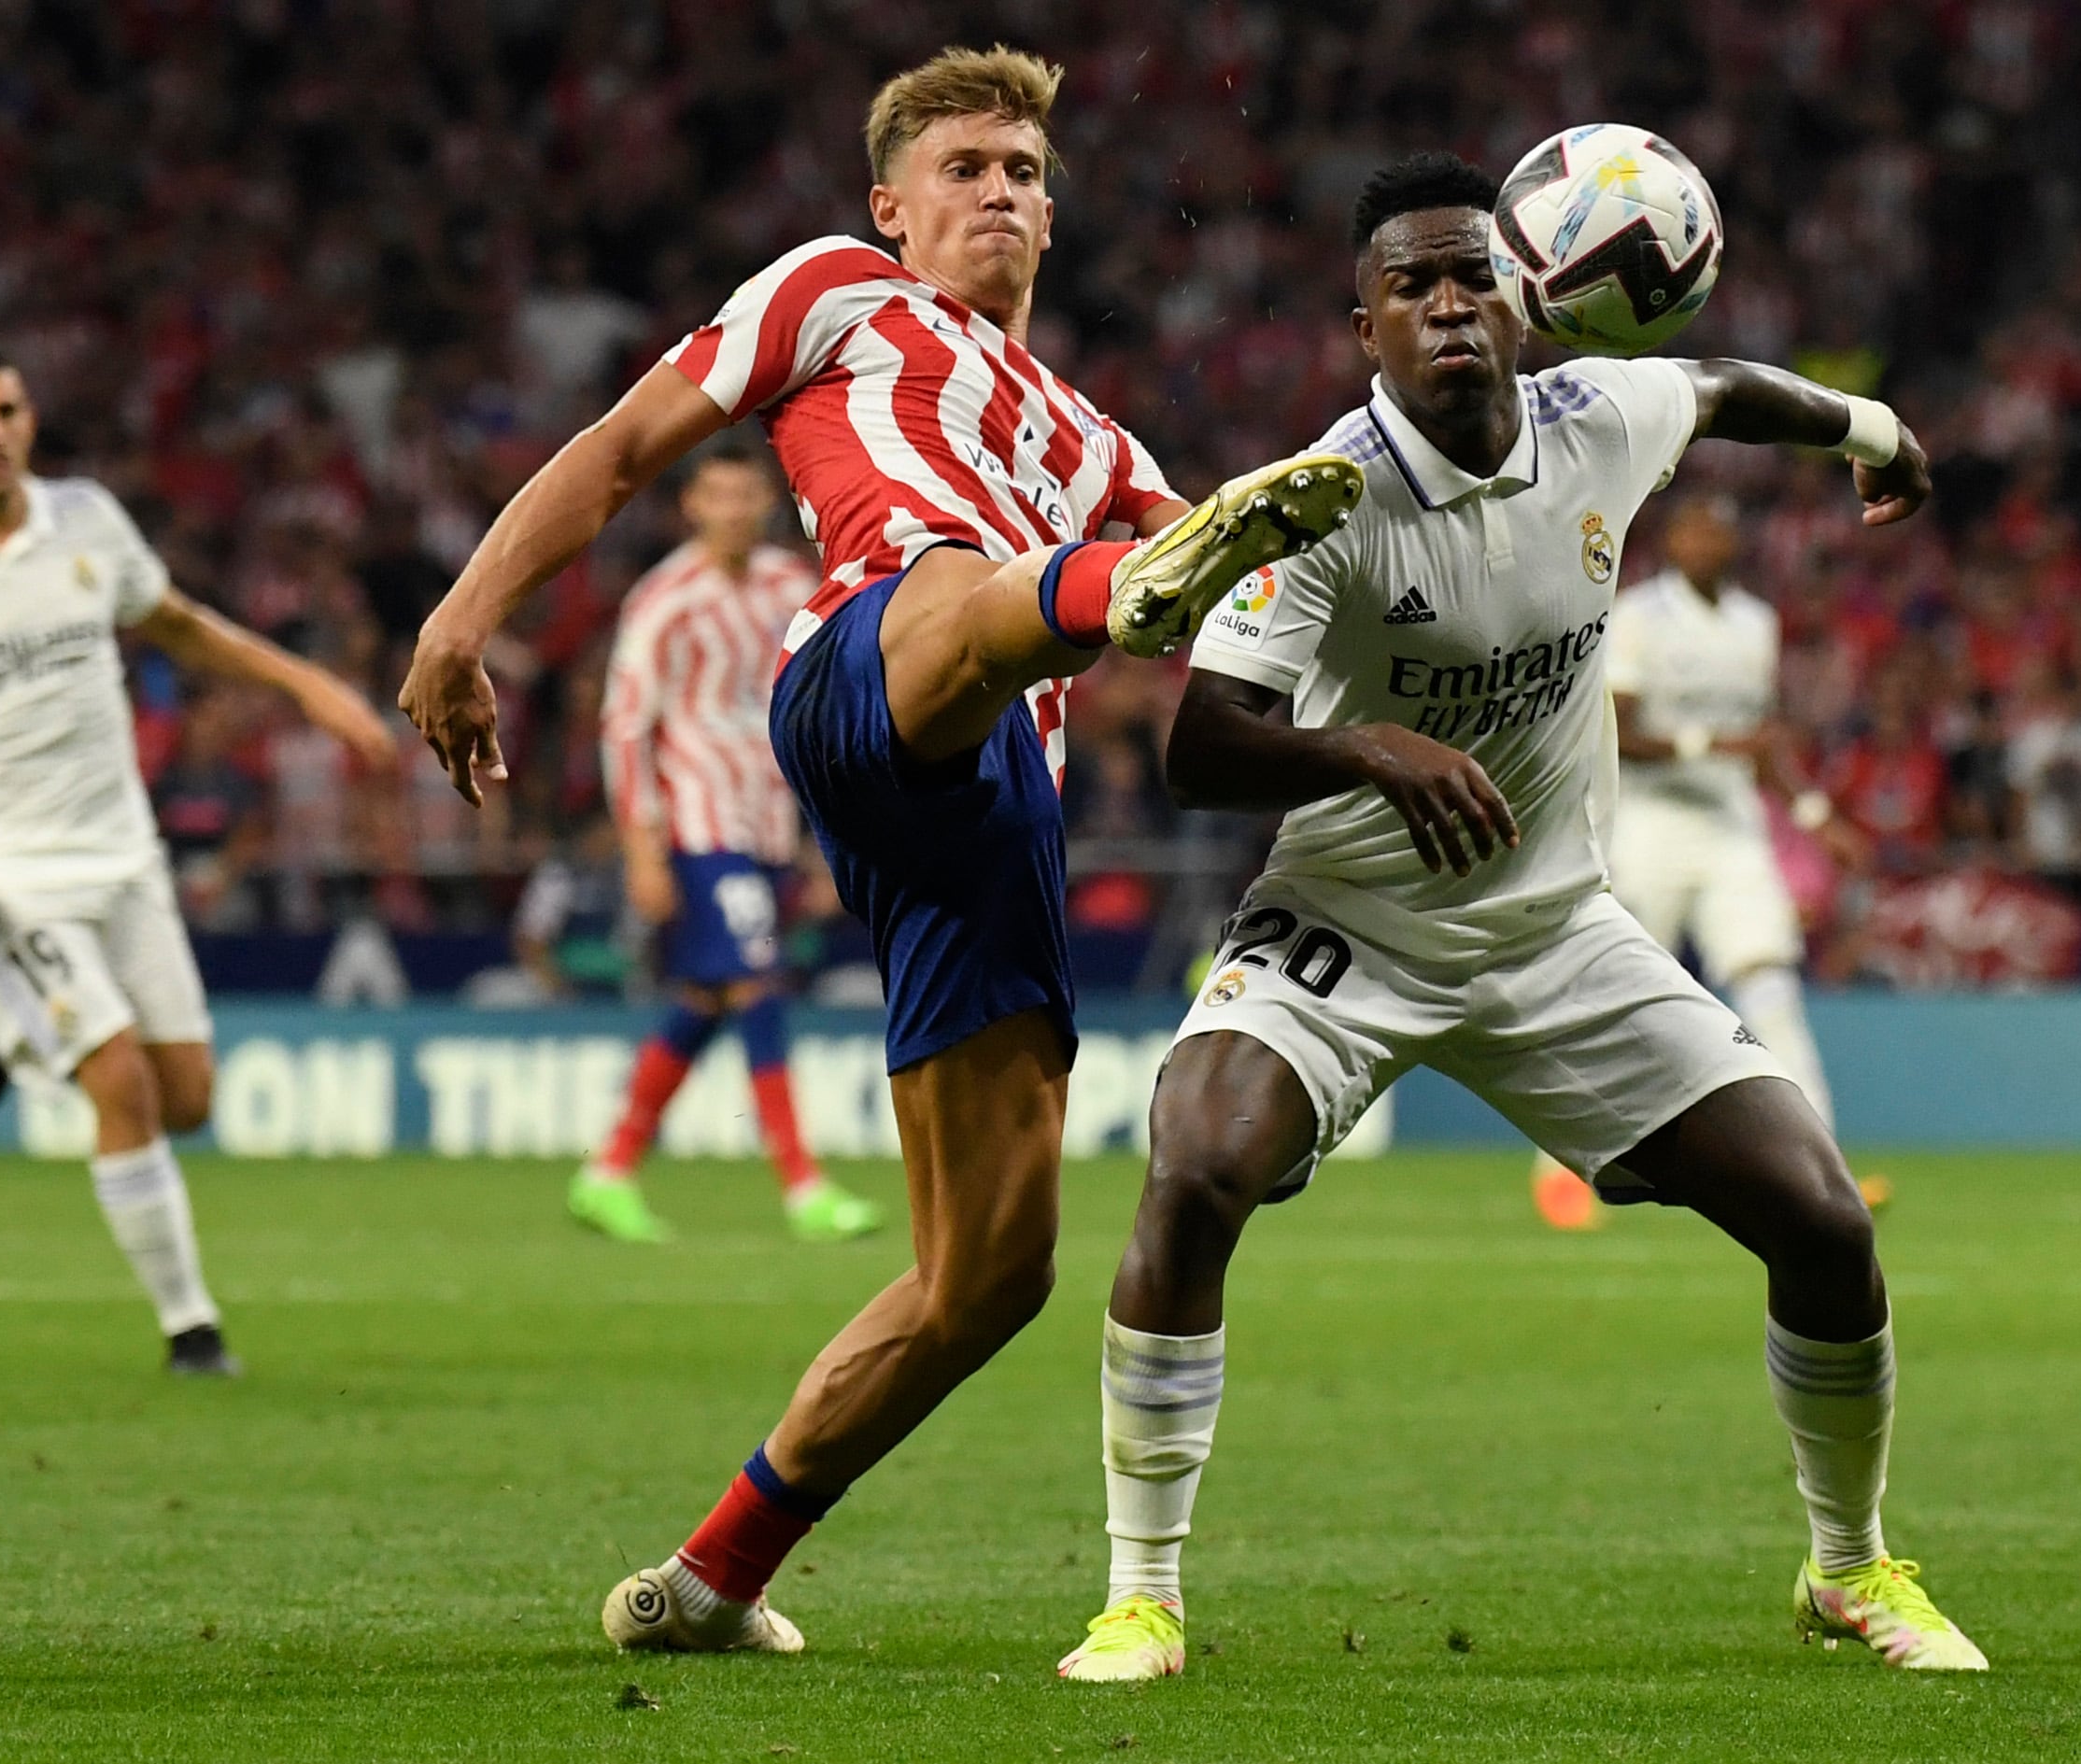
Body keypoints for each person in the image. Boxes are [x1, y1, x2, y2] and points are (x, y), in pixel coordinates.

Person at [395, 47, 1362, 1656]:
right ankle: (1090, 601)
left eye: (1026, 172)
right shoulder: (837, 291)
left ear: (1053, 216)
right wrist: (462, 613)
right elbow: (628, 447)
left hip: (995, 826)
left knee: (986, 1272)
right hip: (867, 669)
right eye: (966, 167)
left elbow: (1274, 609)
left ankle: (712, 1574)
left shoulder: (1091, 433)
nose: (1001, 191)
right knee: (957, 592)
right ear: (890, 210)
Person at [1056, 154, 1986, 1683]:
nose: (1444, 305)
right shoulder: (1320, 503)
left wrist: (1871, 430)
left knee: (1818, 1216)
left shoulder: (1600, 417)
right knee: (1197, 1162)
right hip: (1348, 925)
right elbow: (1198, 742)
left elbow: (1723, 388)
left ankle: (1848, 1560)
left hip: (1558, 930)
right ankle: (1140, 1593)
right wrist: (1367, 745)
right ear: (1362, 326)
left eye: (1469, 276)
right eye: (1407, 286)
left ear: (1523, 296)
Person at [0, 337, 397, 1376]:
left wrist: (308, 685)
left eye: (5, 411)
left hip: (120, 854)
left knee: (188, 1097)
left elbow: (175, 622)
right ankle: (193, 1330)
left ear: (28, 420)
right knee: (120, 1077)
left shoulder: (86, 520)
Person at [572, 439, 883, 1246]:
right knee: (755, 981)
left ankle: (607, 1170)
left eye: (748, 496)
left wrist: (823, 834)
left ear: (765, 504)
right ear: (693, 506)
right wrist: (641, 847)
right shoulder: (664, 599)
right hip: (699, 822)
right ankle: (802, 1185)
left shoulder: (791, 586)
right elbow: (625, 726)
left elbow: (820, 707)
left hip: (769, 820)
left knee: (711, 992)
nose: (735, 511)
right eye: (719, 496)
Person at [1605, 493, 1857, 1128]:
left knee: (1768, 980)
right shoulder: (1637, 616)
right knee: (1623, 995)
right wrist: (1708, 744)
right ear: (1671, 542)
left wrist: (1812, 812)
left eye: (1714, 532)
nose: (1703, 544)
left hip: (1730, 827)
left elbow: (1762, 743)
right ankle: (1568, 1160)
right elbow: (1615, 730)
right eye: (1691, 531)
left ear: (1732, 544)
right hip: (1649, 825)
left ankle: (1818, 1155)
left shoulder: (1755, 624)